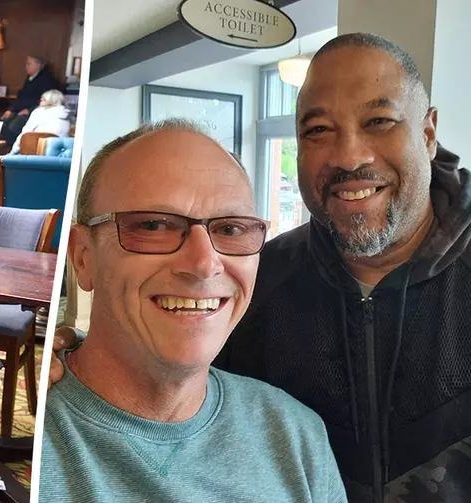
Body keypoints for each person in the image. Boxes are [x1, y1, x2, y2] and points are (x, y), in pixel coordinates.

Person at [210, 33, 471, 501]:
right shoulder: (254, 281)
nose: (349, 156)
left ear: (428, 134)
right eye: (318, 131)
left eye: (379, 120)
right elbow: (179, 394)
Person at [40, 118, 345, 501]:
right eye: (153, 225)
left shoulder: (296, 436)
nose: (204, 263)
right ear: (83, 258)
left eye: (231, 230)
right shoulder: (43, 438)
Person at [0, 56, 59, 146]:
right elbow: (22, 97)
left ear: (38, 65)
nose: (26, 66)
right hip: (19, 110)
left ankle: (16, 151)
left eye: (29, 63)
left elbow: (46, 101)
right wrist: (10, 110)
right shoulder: (29, 78)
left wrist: (29, 110)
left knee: (14, 126)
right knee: (3, 123)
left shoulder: (47, 79)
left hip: (34, 111)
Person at [8, 89, 72, 154]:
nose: (40, 101)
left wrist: (12, 153)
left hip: (33, 154)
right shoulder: (67, 115)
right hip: (57, 155)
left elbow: (24, 133)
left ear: (50, 101)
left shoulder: (38, 112)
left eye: (43, 99)